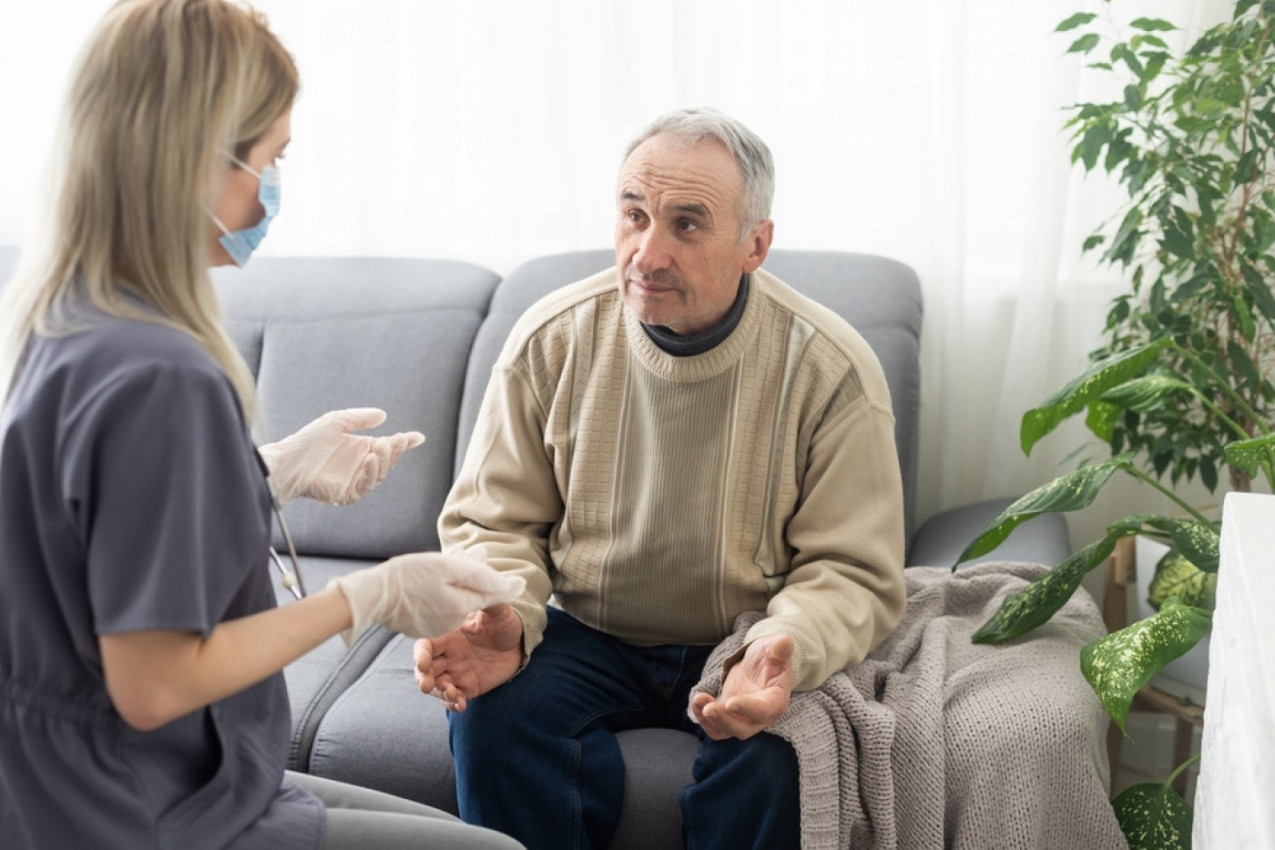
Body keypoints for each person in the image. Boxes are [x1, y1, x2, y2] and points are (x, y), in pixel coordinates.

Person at [0, 2, 525, 848]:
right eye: (271, 157)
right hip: (126, 805)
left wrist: (266, 471)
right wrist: (373, 594)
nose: (274, 185)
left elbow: (90, 531)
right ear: (190, 157)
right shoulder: (162, 373)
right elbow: (155, 682)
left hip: (71, 776)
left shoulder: (68, 318)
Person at [414, 107, 907, 850]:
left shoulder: (830, 369)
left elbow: (850, 568)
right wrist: (507, 612)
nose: (646, 254)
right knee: (491, 721)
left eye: (685, 224)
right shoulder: (550, 339)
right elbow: (495, 523)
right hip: (587, 629)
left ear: (755, 245)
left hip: (744, 635)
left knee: (782, 760)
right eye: (634, 215)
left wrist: (785, 644)